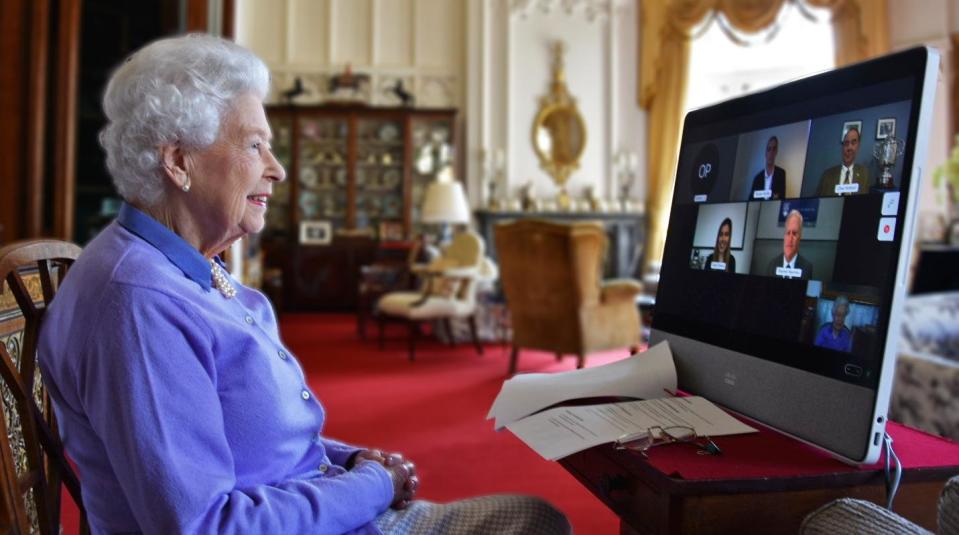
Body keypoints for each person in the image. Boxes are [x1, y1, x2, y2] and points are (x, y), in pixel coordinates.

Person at [37, 35, 569, 535]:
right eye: (254, 145)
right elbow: (207, 526)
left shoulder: (173, 267)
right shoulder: (139, 301)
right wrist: (372, 486)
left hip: (309, 503)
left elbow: (253, 445)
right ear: (179, 161)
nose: (278, 169)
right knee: (535, 520)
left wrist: (347, 461)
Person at [817, 126, 870, 196]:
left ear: (858, 146)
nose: (849, 147)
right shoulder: (827, 175)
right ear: (842, 147)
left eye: (853, 143)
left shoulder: (864, 174)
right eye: (846, 143)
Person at [766, 209, 814, 280]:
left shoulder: (807, 268)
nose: (790, 239)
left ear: (799, 237)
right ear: (784, 236)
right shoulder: (772, 266)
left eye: (794, 233)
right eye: (788, 233)